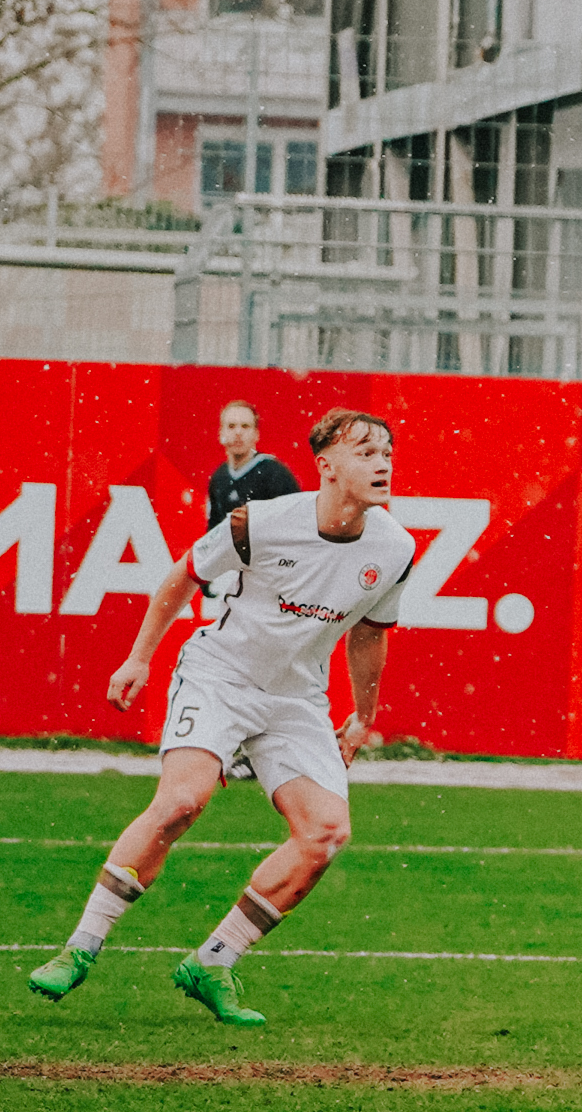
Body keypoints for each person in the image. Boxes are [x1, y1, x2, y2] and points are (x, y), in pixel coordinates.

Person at [33, 409, 417, 1024]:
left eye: (387, 452)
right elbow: (184, 576)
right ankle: (79, 949)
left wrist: (362, 716)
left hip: (295, 701)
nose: (382, 463)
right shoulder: (259, 522)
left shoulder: (395, 548)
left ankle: (214, 960)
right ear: (326, 467)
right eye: (366, 452)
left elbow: (371, 633)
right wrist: (138, 660)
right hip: (220, 676)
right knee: (183, 802)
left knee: (325, 833)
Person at [203, 400, 298, 531]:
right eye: (231, 426)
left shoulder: (275, 474)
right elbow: (213, 532)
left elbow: (294, 523)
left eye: (245, 426)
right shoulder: (219, 478)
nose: (238, 432)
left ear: (256, 434)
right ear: (221, 433)